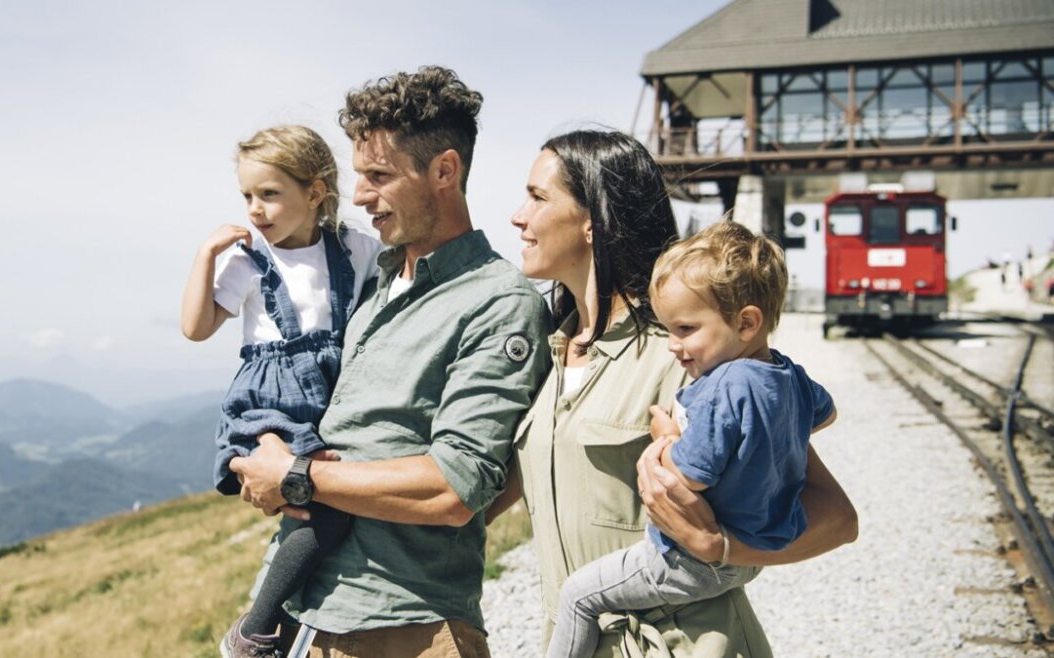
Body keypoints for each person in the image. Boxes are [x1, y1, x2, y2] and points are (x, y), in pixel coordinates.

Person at [487, 129, 858, 658]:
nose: (518, 216)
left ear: (594, 219)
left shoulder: (691, 355)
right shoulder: (555, 347)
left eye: (538, 197)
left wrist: (723, 547)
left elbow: (836, 517)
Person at [227, 65, 552, 657]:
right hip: (305, 615)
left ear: (444, 172)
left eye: (379, 175)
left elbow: (458, 487)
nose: (358, 196)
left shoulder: (498, 302)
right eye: (358, 175)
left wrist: (296, 477)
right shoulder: (371, 281)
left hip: (405, 625)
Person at [546, 220, 839, 658]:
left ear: (745, 324)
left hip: (688, 561)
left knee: (578, 596)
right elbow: (827, 413)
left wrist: (666, 439)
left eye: (685, 329)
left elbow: (691, 476)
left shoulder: (727, 386)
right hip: (751, 552)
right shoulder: (788, 374)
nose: (672, 345)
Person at [180, 125, 384, 657]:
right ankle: (256, 629)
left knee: (337, 504)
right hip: (268, 409)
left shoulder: (357, 248)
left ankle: (290, 624)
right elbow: (196, 328)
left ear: (315, 192)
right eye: (248, 196)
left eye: (269, 194)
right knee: (329, 509)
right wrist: (206, 255)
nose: (255, 209)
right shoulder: (247, 261)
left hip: (331, 400)